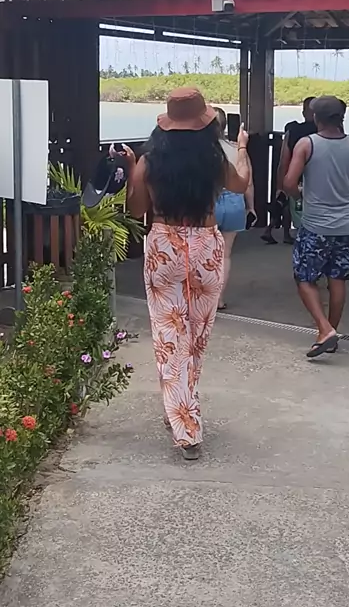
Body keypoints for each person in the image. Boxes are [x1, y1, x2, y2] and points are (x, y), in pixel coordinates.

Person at [123, 87, 250, 460]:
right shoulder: (214, 159)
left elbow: (136, 209)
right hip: (206, 247)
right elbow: (240, 184)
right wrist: (242, 149)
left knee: (170, 337)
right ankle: (183, 412)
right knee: (195, 338)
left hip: (165, 246)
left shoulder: (151, 161)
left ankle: (183, 420)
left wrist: (132, 170)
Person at [284, 96, 349, 358]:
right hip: (345, 226)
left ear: (315, 118)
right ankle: (331, 332)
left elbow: (289, 183)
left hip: (315, 225)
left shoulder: (307, 144)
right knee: (338, 278)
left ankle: (324, 329)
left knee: (304, 277)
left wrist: (301, 196)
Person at [213, 107, 256, 310]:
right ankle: (219, 299)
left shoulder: (200, 151)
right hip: (234, 201)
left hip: (210, 202)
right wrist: (251, 207)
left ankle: (202, 296)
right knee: (225, 254)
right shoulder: (236, 149)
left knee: (203, 252)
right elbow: (248, 182)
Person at [261, 96, 317, 245]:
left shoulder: (292, 130)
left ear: (304, 112)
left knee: (285, 200)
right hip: (309, 176)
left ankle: (278, 230)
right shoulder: (320, 133)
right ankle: (295, 233)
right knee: (299, 204)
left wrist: (280, 182)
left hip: (291, 172)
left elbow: (283, 159)